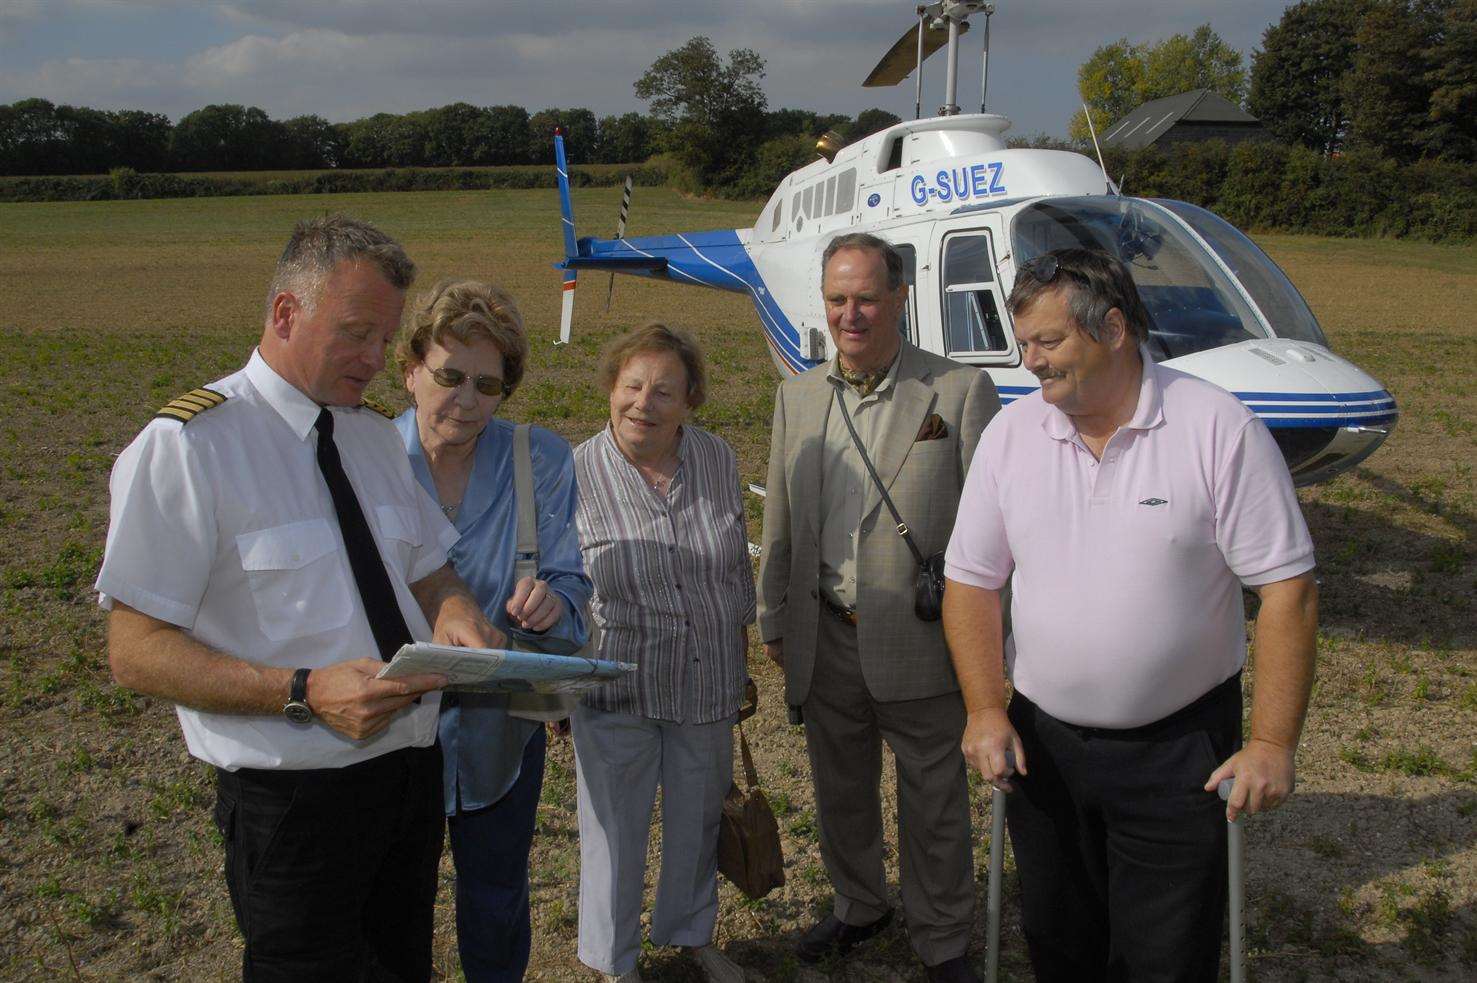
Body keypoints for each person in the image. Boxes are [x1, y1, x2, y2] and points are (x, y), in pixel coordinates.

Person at [96, 215, 506, 981]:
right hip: (293, 795)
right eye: (356, 334)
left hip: (407, 777)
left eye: (386, 340)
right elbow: (135, 650)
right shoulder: (188, 445)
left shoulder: (372, 438)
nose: (376, 359)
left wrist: (455, 611)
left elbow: (428, 571)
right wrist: (303, 691)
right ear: (286, 313)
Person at [943, 247, 1319, 982]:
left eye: (1047, 342)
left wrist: (1273, 741)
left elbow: (1287, 589)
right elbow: (971, 582)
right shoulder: (1011, 435)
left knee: (1165, 957)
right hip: (1041, 745)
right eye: (1023, 344)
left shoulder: (1215, 427)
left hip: (1179, 749)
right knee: (1059, 943)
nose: (1031, 363)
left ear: (1112, 329)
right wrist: (985, 707)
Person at [757, 232, 1000, 983]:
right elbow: (782, 525)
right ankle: (860, 903)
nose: (850, 314)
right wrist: (772, 617)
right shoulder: (796, 396)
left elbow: (993, 533)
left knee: (934, 801)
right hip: (826, 632)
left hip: (925, 639)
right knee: (840, 789)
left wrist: (995, 648)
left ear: (899, 296)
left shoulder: (958, 392)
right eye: (836, 299)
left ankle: (943, 936)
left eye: (866, 297)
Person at [394, 279, 592, 982]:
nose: (467, 399)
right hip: (387, 735)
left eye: (488, 383)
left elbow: (572, 587)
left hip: (500, 733)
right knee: (392, 908)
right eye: (449, 376)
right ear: (411, 369)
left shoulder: (541, 460)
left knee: (497, 898)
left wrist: (550, 604)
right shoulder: (367, 461)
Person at [571, 323, 755, 983]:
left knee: (697, 818)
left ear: (689, 401)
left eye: (664, 391)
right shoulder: (575, 471)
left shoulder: (715, 458)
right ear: (611, 388)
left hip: (707, 677)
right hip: (615, 680)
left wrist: (741, 654)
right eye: (632, 385)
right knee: (613, 832)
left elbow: (734, 567)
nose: (643, 403)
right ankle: (614, 962)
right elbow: (559, 587)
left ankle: (690, 934)